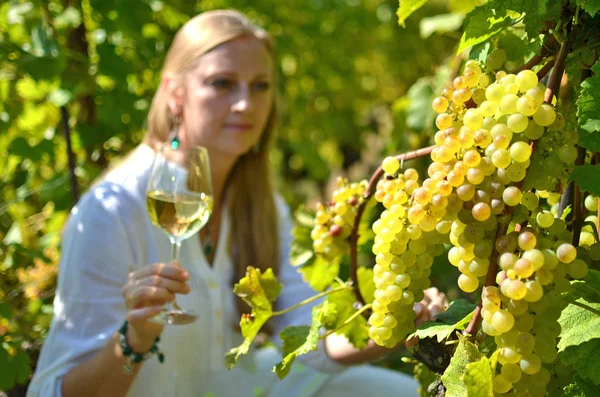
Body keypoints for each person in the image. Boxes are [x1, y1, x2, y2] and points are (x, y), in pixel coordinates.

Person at [27, 10, 447, 397]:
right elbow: (53, 391)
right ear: (175, 93)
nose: (246, 104)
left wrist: (392, 327)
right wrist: (133, 340)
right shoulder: (113, 209)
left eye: (260, 86)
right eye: (222, 83)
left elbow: (311, 339)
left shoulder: (262, 206)